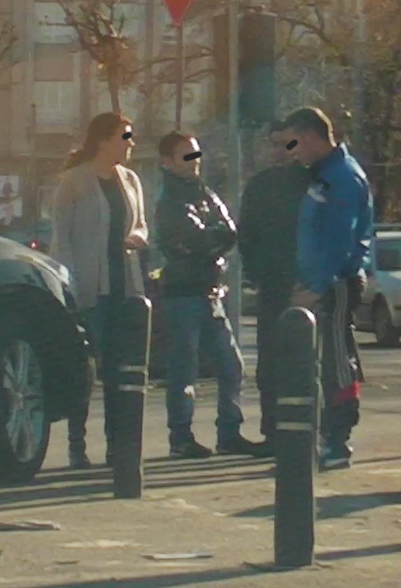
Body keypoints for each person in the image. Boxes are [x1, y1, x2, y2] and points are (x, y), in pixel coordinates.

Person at [152, 132, 262, 459]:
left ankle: (229, 432)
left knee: (231, 365)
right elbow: (197, 238)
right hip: (182, 292)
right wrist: (211, 240)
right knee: (184, 368)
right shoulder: (169, 199)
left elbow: (229, 229)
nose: (194, 162)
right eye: (186, 156)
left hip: (209, 290)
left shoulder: (203, 191)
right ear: (167, 161)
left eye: (196, 155)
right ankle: (180, 437)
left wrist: (213, 239)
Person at [50, 112, 149, 470]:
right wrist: (68, 284)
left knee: (121, 371)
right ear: (104, 140)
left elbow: (141, 224)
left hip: (125, 286)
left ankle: (116, 445)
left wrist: (137, 237)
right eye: (125, 137)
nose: (131, 144)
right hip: (90, 289)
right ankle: (77, 444)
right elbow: (61, 238)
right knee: (89, 368)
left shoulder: (131, 180)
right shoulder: (74, 181)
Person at [282, 106, 374, 470]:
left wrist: (317, 286)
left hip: (334, 284)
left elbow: (340, 239)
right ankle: (328, 437)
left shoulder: (342, 177)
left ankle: (338, 441)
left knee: (337, 362)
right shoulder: (325, 174)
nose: (293, 151)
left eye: (295, 143)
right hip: (320, 281)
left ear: (310, 137)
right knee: (330, 361)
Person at [238, 121, 313, 450]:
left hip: (306, 284)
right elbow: (246, 233)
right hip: (272, 284)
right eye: (274, 144)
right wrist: (257, 272)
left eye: (286, 144)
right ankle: (272, 430)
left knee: (306, 359)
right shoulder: (261, 184)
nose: (279, 151)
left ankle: (307, 429)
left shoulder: (313, 181)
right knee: (269, 361)